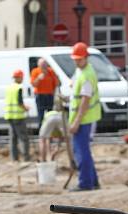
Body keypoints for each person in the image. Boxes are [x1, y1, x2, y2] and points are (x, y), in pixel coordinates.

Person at [68, 42, 100, 191]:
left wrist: (76, 122)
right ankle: (93, 181)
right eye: (75, 59)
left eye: (79, 59)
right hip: (84, 118)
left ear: (86, 57)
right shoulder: (83, 70)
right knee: (84, 151)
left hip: (84, 119)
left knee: (81, 152)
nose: (76, 61)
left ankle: (85, 183)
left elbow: (85, 101)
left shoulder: (87, 75)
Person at [4, 69, 30, 161]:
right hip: (18, 117)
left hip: (9, 116)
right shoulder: (18, 88)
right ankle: (26, 158)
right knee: (23, 138)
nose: (22, 79)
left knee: (13, 139)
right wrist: (26, 108)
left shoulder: (9, 88)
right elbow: (19, 102)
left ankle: (14, 158)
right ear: (18, 77)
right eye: (22, 77)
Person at [30, 58, 60, 126]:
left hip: (49, 95)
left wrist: (54, 94)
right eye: (42, 65)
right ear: (38, 65)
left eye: (45, 64)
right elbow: (33, 84)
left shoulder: (51, 71)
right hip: (40, 95)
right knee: (41, 115)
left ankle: (50, 131)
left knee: (51, 115)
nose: (44, 66)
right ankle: (41, 131)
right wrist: (38, 78)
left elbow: (56, 84)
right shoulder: (35, 71)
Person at [38, 96, 66, 162]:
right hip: (60, 118)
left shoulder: (48, 114)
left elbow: (47, 139)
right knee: (67, 139)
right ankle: (72, 161)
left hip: (49, 118)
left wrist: (49, 153)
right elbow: (61, 139)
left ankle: (43, 159)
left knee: (42, 139)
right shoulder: (61, 115)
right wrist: (55, 150)